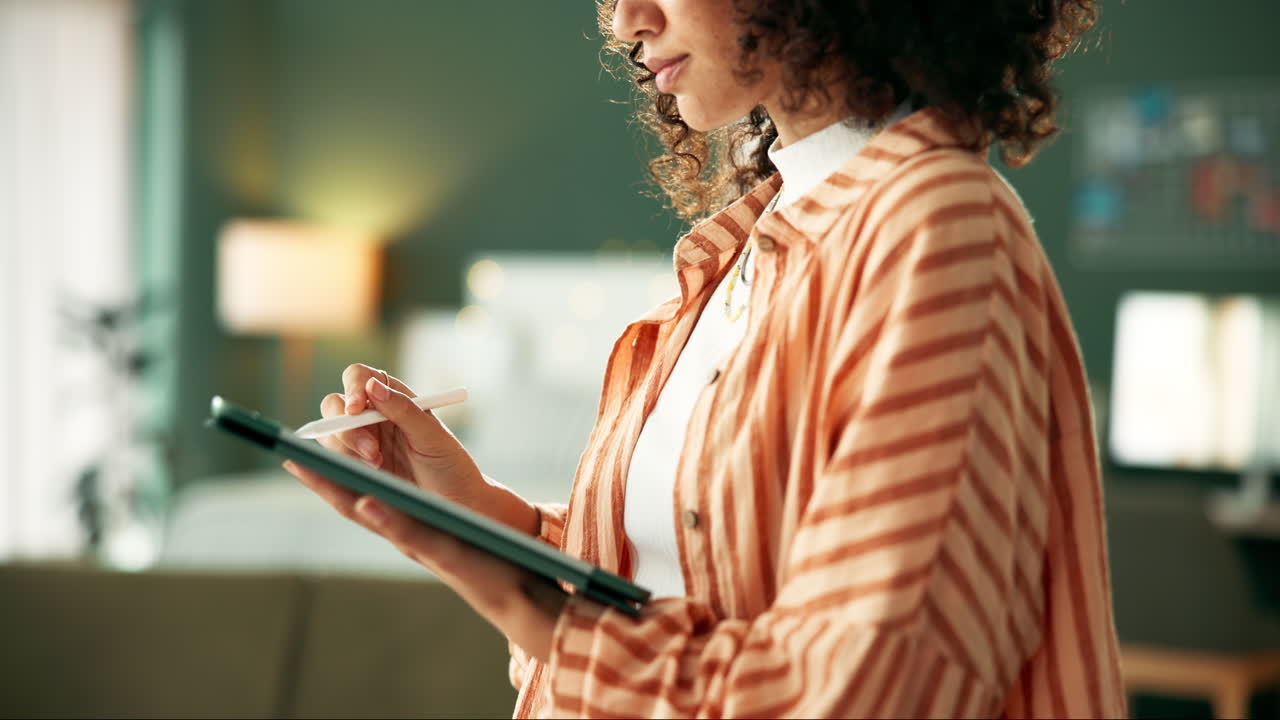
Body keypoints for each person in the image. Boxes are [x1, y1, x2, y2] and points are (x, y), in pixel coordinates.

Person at [282, 0, 1127, 716]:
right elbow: (678, 588)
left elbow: (861, 684)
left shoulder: (936, 228)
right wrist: (474, 515)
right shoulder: (748, 244)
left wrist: (498, 581)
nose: (623, 21)